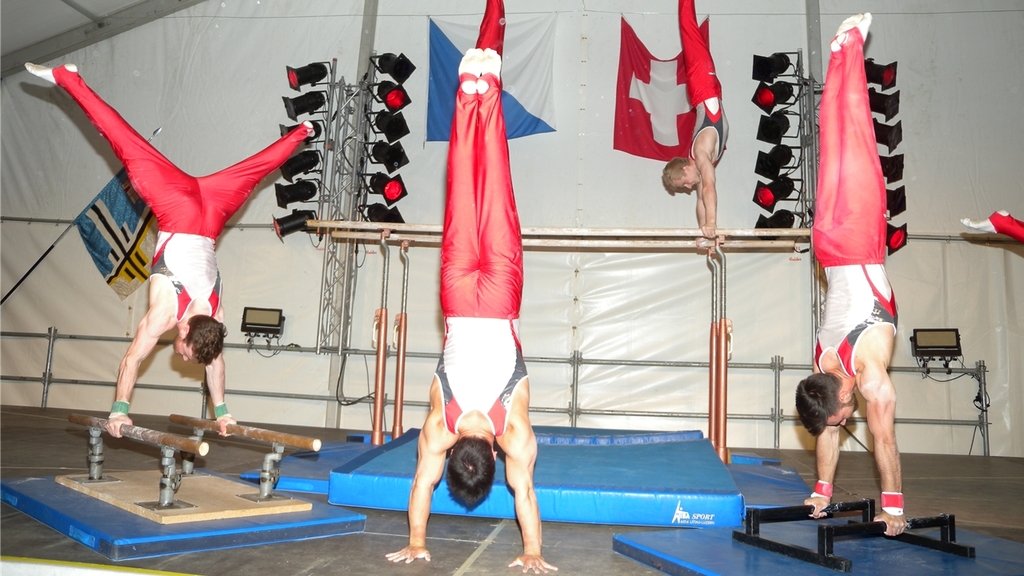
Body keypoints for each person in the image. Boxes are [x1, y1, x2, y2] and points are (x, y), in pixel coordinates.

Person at [26, 62, 313, 438]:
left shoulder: (214, 319)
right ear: (184, 329)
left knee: (253, 172)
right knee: (126, 144)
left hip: (212, 214)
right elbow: (132, 360)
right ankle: (67, 76)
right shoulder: (166, 314)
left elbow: (214, 363)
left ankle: (303, 133)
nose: (180, 356)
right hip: (178, 208)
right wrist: (119, 410)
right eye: (184, 351)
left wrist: (224, 413)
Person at [384, 7, 555, 573]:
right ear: (457, 449)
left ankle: (488, 87)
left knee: (497, 187)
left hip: (500, 297)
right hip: (458, 300)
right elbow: (421, 489)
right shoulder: (438, 429)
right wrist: (416, 540)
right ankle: (469, 91)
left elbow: (524, 495)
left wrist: (532, 552)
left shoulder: (516, 436)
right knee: (463, 193)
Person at [792, 14, 908, 538]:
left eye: (844, 415)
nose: (847, 420)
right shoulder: (821, 371)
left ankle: (852, 45)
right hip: (829, 247)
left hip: (858, 239)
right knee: (834, 143)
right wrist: (821, 493)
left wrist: (894, 505)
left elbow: (884, 440)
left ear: (841, 396)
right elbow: (828, 431)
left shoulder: (867, 376)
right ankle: (841, 49)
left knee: (855, 135)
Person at [661, 0, 729, 241]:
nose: (689, 187)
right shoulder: (699, 168)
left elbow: (710, 189)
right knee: (688, 29)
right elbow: (702, 198)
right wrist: (706, 234)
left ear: (687, 167)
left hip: (703, 85)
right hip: (708, 92)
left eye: (685, 183)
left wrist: (712, 222)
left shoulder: (700, 155)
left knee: (688, 27)